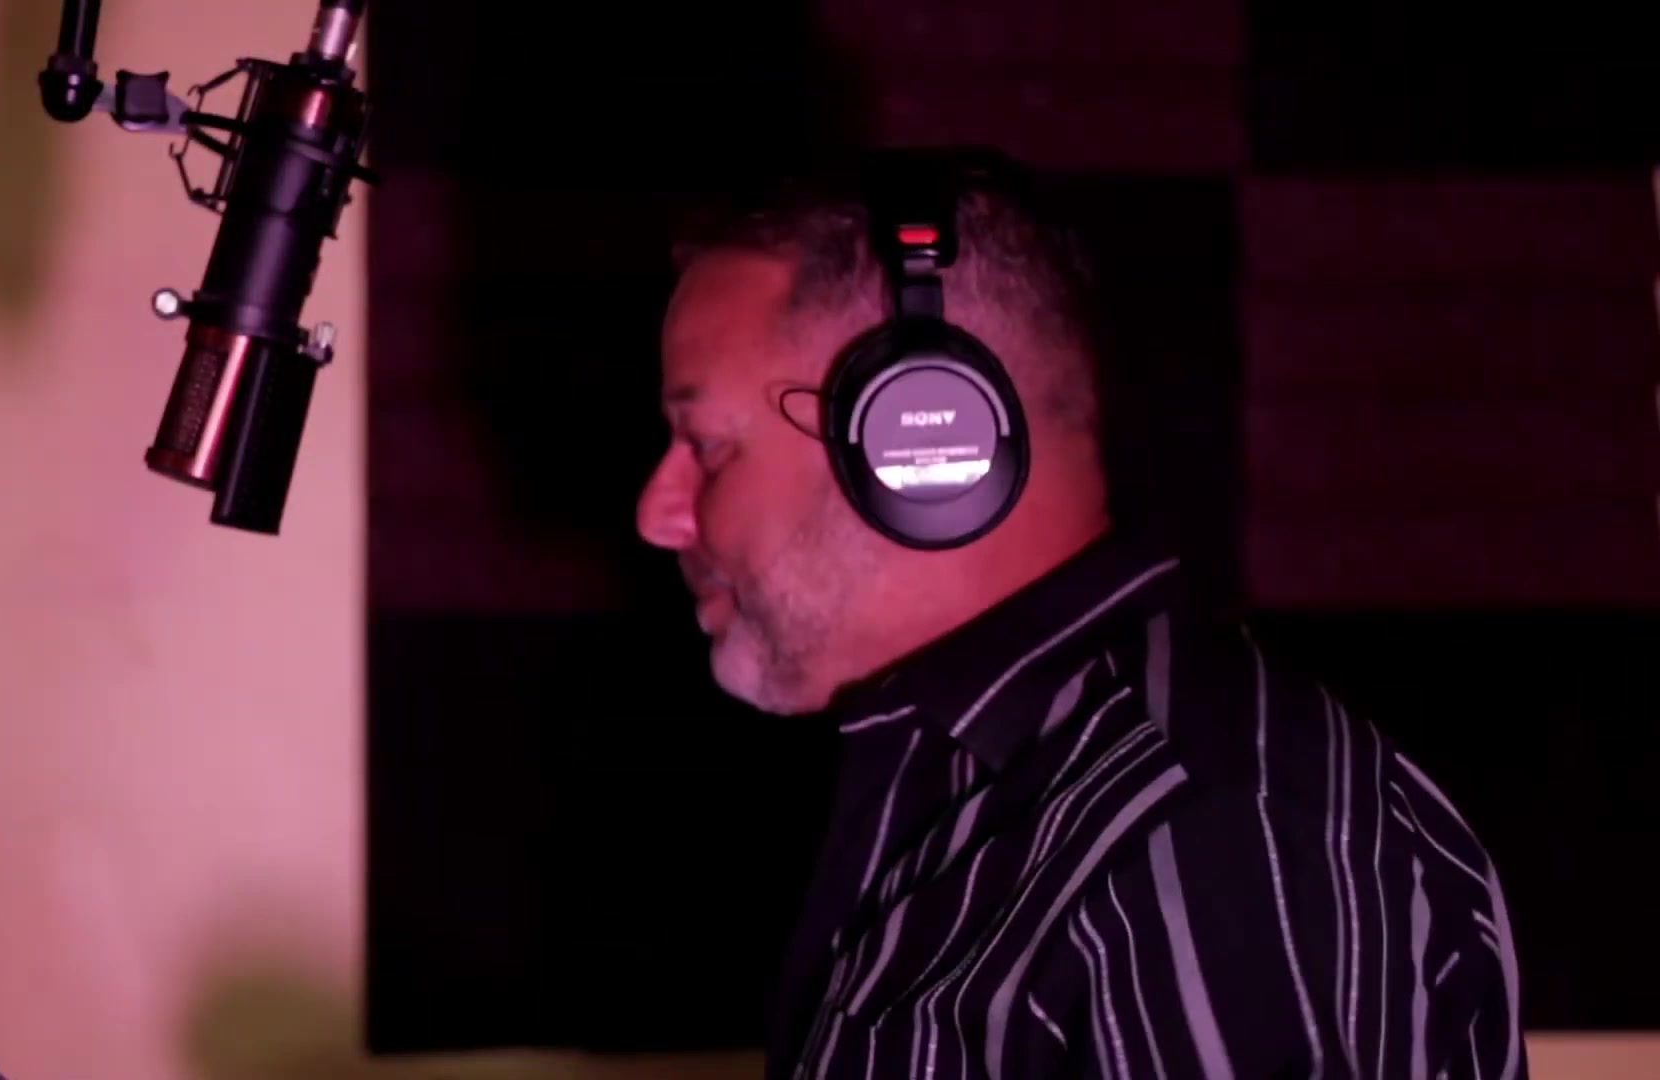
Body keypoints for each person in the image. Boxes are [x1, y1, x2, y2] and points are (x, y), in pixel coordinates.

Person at [634, 149, 1526, 1079]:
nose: (658, 514)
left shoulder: (1203, 836)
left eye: (706, 444)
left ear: (921, 434)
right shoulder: (980, 799)